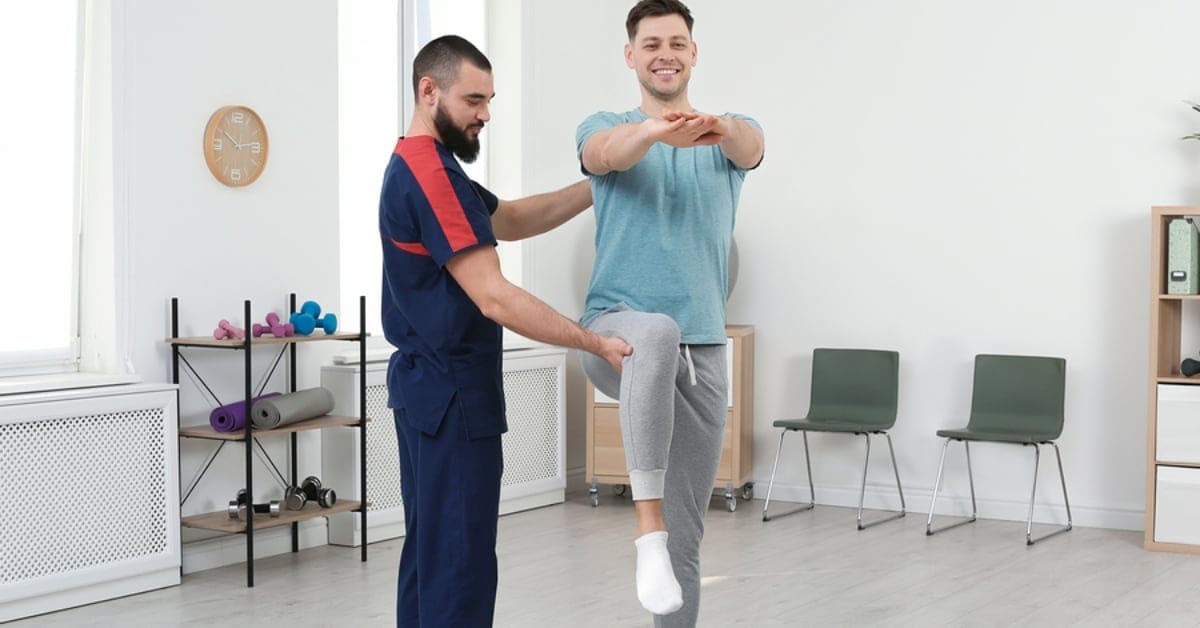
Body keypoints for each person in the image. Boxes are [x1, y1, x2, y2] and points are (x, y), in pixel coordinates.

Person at [378, 35, 632, 628]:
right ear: (428, 91)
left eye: (490, 100)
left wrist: (602, 183)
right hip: (451, 393)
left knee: (431, 551)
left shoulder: (423, 165)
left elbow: (512, 218)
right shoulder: (431, 177)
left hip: (425, 392)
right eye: (474, 100)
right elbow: (493, 296)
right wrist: (594, 342)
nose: (485, 114)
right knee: (459, 564)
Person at [576, 0, 765, 624]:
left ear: (694, 53)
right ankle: (645, 531)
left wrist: (717, 126)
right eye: (652, 44)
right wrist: (658, 130)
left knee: (689, 544)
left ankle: (664, 549)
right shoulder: (604, 124)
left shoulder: (723, 138)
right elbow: (606, 155)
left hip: (705, 349)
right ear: (631, 56)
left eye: (677, 43)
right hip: (614, 331)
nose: (665, 54)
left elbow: (753, 145)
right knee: (656, 330)